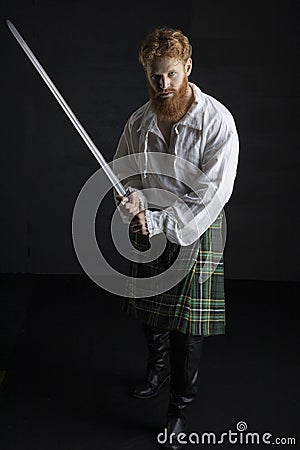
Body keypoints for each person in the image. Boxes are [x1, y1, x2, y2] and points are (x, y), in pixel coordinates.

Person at [113, 27, 239, 450]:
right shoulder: (139, 121)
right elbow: (123, 172)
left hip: (194, 227)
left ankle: (179, 408)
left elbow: (212, 194)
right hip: (148, 224)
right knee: (150, 312)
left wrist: (162, 222)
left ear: (187, 68)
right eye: (154, 76)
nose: (162, 85)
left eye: (169, 74)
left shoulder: (217, 121)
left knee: (189, 328)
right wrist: (128, 204)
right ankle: (157, 369)